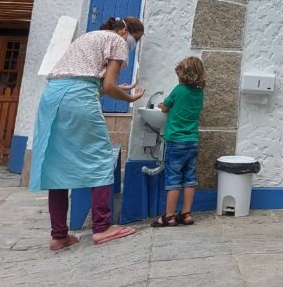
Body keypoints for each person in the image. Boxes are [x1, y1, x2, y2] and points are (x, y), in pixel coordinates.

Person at [30, 16, 146, 250]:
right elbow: (108, 87)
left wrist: (114, 89)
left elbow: (85, 81)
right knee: (101, 157)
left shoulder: (88, 37)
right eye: (136, 39)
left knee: (57, 165)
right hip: (78, 99)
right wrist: (129, 98)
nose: (133, 44)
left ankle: (59, 235)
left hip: (52, 97)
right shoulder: (117, 40)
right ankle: (102, 227)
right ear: (125, 31)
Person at [152, 56, 207, 227]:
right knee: (190, 178)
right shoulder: (200, 93)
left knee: (173, 180)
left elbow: (165, 107)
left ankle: (169, 216)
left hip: (175, 142)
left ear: (184, 74)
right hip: (192, 141)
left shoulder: (179, 89)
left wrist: (162, 105)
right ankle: (186, 214)